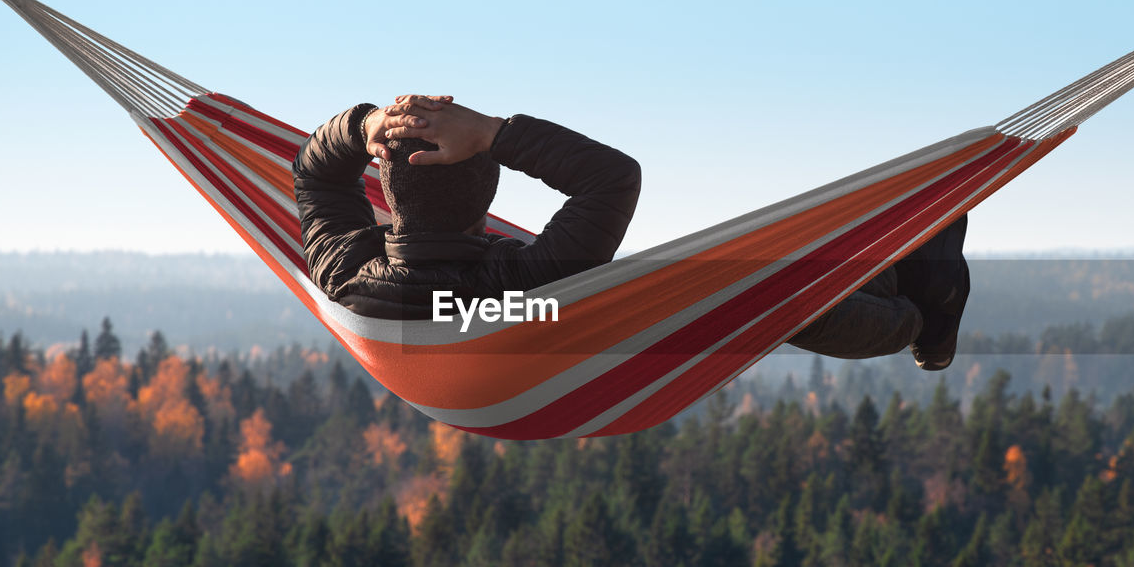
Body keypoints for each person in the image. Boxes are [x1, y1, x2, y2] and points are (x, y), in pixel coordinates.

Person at [292, 95, 969, 369]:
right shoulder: (534, 277)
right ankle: (916, 315)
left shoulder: (347, 277)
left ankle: (910, 294)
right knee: (740, 289)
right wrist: (494, 132)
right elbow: (613, 178)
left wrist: (361, 127)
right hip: (586, 353)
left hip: (529, 372)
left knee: (741, 285)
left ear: (383, 193)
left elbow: (314, 177)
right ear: (491, 191)